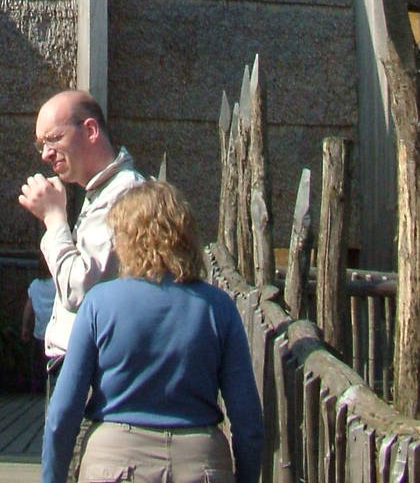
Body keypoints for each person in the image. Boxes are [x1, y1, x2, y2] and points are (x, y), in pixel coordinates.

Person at [42, 181, 264, 483]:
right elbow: (248, 420)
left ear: (127, 239)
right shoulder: (218, 307)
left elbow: (63, 414)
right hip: (200, 461)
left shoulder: (99, 304)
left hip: (114, 461)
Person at [18, 89, 143, 373]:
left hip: (93, 372)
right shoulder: (102, 194)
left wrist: (54, 219)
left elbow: (81, 292)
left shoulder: (123, 196)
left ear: (90, 130)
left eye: (53, 139)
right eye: (41, 145)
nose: (46, 154)